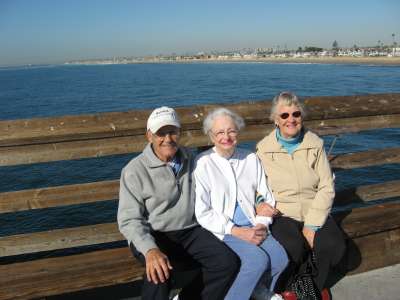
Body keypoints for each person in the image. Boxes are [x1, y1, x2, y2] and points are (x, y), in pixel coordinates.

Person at [117, 106, 240, 300]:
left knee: (227, 263)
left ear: (179, 133)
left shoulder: (192, 159)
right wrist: (150, 250)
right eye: (160, 133)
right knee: (158, 272)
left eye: (172, 132)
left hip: (190, 230)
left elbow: (226, 169)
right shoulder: (134, 170)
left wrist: (258, 198)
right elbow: (129, 220)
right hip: (154, 234)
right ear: (149, 136)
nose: (167, 138)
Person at [256, 91, 346, 295]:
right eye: (284, 115)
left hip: (313, 208)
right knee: (292, 246)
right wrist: (260, 201)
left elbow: (326, 186)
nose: (291, 119)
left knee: (333, 246)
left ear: (301, 117)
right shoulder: (263, 149)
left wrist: (312, 225)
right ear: (275, 120)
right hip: (283, 212)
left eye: (296, 114)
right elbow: (254, 186)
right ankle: (293, 285)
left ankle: (313, 284)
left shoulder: (315, 144)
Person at [193, 107, 288, 300]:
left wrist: (262, 223)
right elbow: (203, 213)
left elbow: (265, 194)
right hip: (225, 229)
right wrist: (237, 231)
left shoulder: (250, 158)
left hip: (254, 223)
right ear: (211, 136)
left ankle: (255, 290)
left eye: (231, 131)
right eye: (220, 132)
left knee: (280, 259)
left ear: (238, 132)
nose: (226, 137)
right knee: (257, 261)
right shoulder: (203, 163)